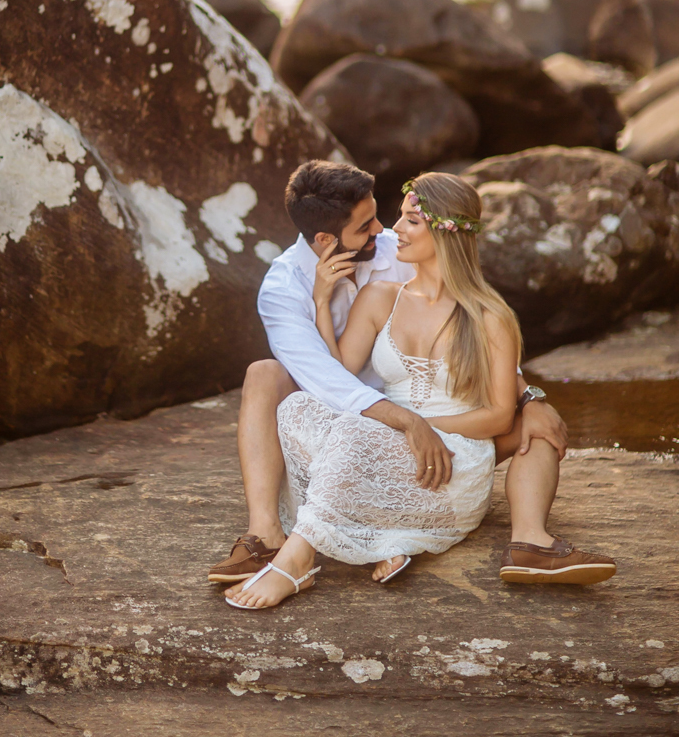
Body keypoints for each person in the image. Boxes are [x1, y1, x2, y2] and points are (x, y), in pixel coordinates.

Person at [208, 160, 615, 595]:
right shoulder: (291, 289)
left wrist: (531, 398)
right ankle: (279, 536)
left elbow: (492, 390)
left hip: (435, 438)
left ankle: (530, 542)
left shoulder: (462, 298)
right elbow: (329, 378)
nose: (388, 230)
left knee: (535, 428)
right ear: (325, 239)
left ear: (442, 233)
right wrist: (322, 303)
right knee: (291, 401)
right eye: (370, 225)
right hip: (371, 421)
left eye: (405, 219)